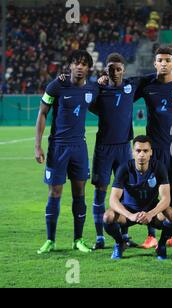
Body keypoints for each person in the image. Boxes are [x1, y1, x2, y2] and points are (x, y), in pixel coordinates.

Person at [35, 50, 99, 254]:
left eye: (83, 64)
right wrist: (37, 145)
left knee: (79, 193)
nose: (79, 67)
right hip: (58, 147)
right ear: (70, 66)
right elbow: (42, 113)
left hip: (79, 147)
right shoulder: (56, 85)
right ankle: (50, 240)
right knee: (55, 193)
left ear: (89, 68)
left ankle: (78, 240)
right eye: (76, 63)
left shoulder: (93, 88)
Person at [87, 52, 145, 250]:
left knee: (126, 191)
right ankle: (100, 238)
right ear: (106, 70)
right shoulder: (99, 89)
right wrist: (96, 82)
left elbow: (155, 77)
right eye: (111, 68)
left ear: (124, 70)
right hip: (103, 148)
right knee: (100, 191)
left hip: (124, 148)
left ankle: (125, 235)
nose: (115, 72)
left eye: (118, 68)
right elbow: (89, 100)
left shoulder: (131, 86)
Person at [134, 46, 172, 249]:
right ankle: (151, 236)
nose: (164, 63)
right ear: (155, 63)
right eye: (160, 60)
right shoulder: (146, 85)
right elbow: (124, 92)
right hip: (154, 149)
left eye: (168, 60)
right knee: (151, 191)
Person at [103, 135, 172, 260]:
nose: (141, 154)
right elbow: (113, 199)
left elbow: (166, 198)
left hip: (152, 213)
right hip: (129, 212)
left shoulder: (159, 167)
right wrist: (129, 215)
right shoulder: (124, 168)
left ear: (151, 153)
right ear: (133, 152)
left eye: (145, 151)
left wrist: (150, 214)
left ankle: (162, 245)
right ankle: (119, 243)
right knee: (108, 217)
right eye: (138, 151)